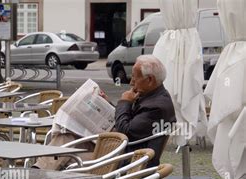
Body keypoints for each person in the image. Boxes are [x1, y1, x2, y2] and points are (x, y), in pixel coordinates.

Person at [34, 55, 175, 169]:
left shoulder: (157, 106)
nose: (131, 82)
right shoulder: (152, 96)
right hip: (119, 147)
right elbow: (128, 121)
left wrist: (124, 102)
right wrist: (107, 104)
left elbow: (125, 130)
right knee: (68, 135)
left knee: (69, 157)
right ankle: (39, 172)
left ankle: (40, 177)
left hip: (126, 159)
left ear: (149, 80)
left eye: (134, 77)